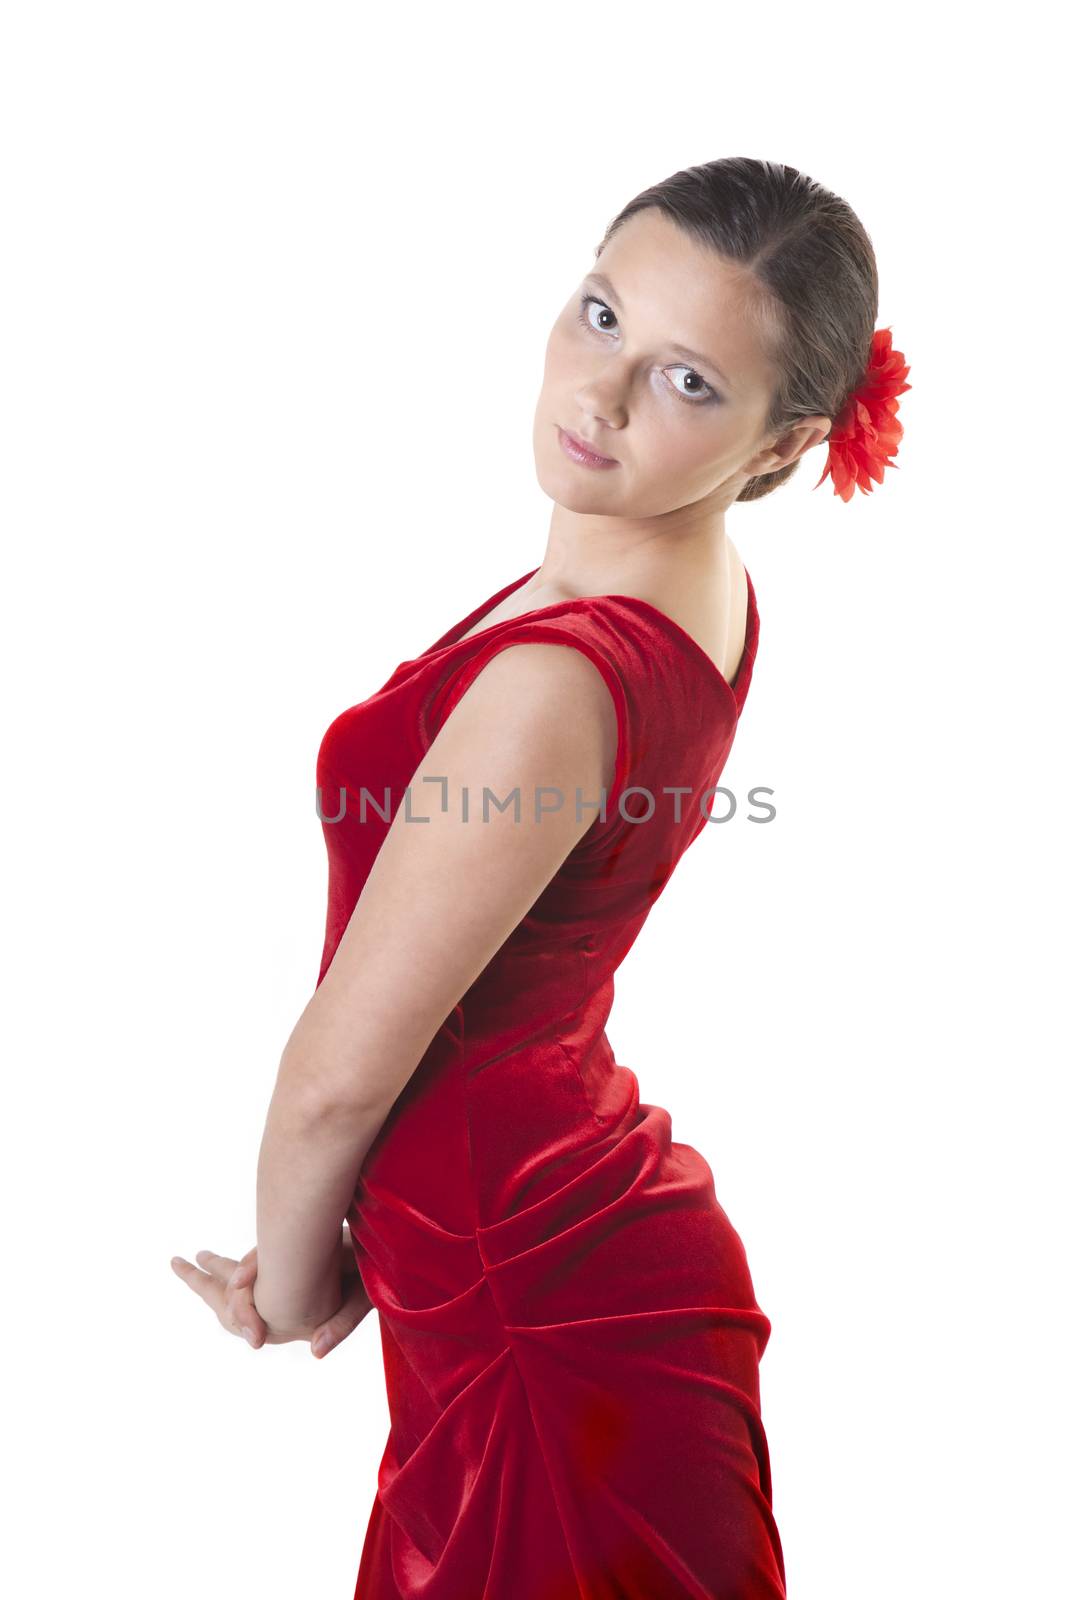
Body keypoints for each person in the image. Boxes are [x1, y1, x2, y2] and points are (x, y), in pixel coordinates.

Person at [172, 155, 909, 1598]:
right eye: (600, 316)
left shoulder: (550, 690)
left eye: (690, 383)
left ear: (781, 450)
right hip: (551, 1256)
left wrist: (293, 1273)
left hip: (532, 1316)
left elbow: (337, 1070)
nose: (603, 394)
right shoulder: (685, 588)